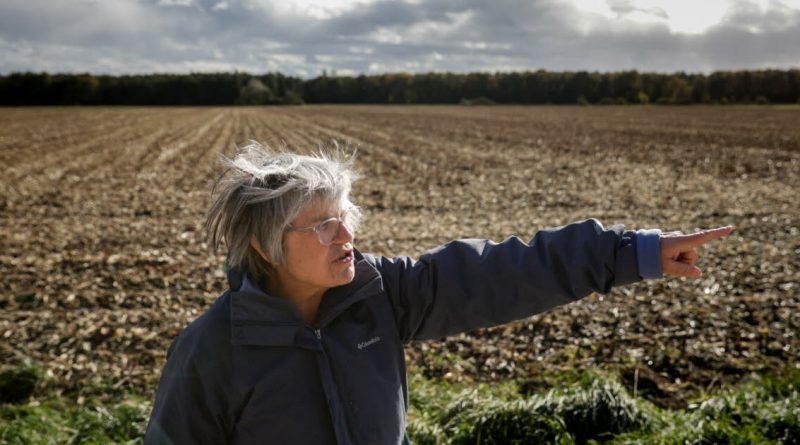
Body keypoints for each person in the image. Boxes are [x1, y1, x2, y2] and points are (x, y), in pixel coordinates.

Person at [144, 142, 733, 444]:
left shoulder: (378, 293)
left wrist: (632, 253)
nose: (346, 237)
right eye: (323, 226)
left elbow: (499, 274)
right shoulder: (211, 352)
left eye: (346, 217)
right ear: (265, 246)